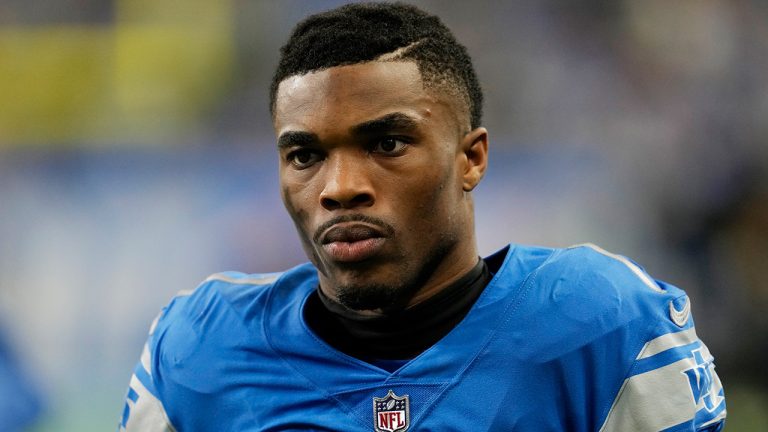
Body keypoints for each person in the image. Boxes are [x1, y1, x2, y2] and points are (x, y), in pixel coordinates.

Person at [119, 3, 726, 431]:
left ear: (471, 158)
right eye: (305, 155)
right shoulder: (199, 350)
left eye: (386, 144)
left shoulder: (603, 325)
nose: (340, 188)